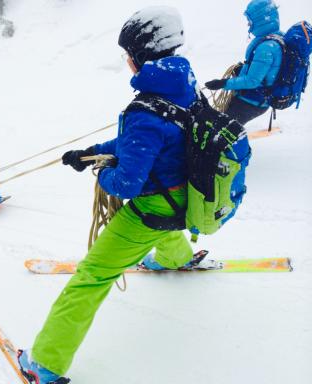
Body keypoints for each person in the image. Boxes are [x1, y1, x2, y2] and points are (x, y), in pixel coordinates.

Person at [17, 7, 204, 383]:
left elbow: (127, 183)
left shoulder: (144, 110)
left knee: (90, 277)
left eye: (128, 55)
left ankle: (46, 365)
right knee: (159, 222)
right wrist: (88, 153)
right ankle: (175, 258)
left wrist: (102, 171)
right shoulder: (185, 86)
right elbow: (145, 144)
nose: (128, 62)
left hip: (156, 204)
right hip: (190, 196)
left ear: (138, 56)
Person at [205, 0, 283, 124]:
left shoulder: (266, 48)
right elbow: (267, 71)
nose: (248, 24)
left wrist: (222, 83)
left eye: (250, 21)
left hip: (250, 102)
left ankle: (239, 142)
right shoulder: (278, 38)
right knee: (224, 128)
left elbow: (252, 81)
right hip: (257, 100)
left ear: (260, 20)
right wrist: (242, 70)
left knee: (223, 134)